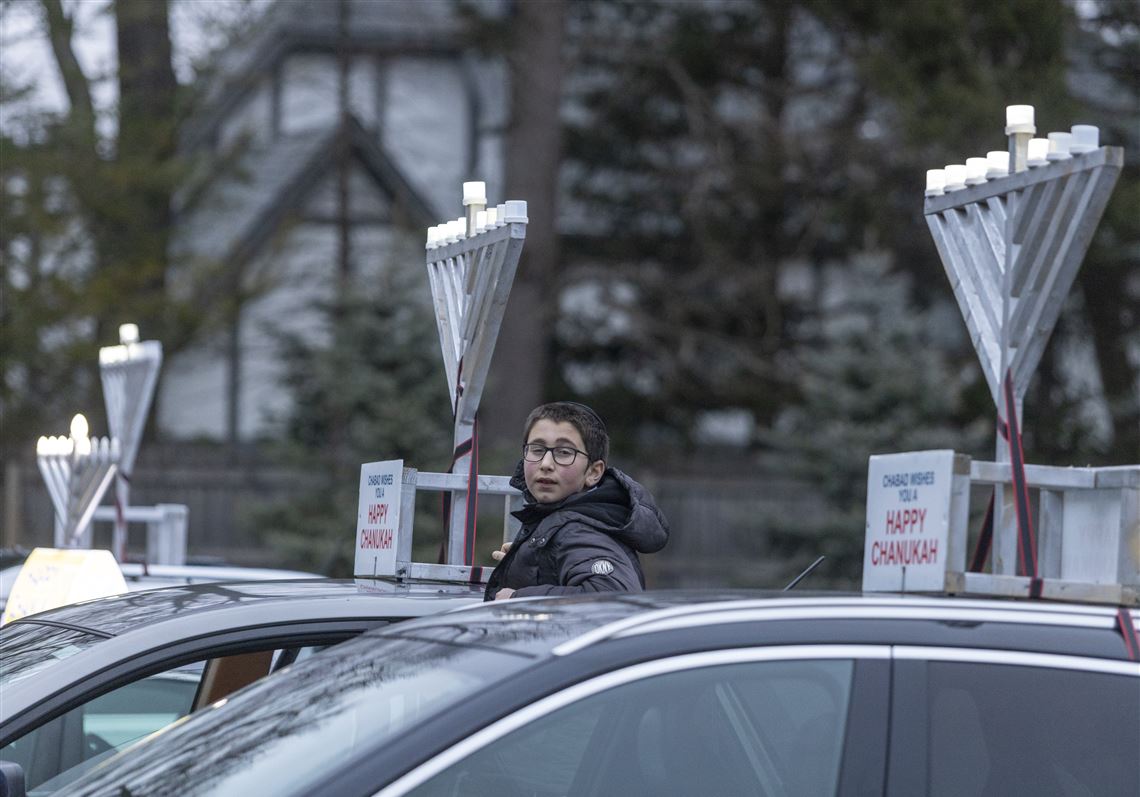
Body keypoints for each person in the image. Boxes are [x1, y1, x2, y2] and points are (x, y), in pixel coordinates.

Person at [485, 401, 669, 600]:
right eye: (537, 449)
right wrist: (531, 559)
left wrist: (516, 599)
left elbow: (615, 598)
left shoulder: (578, 530)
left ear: (593, 472)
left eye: (564, 453)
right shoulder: (564, 524)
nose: (546, 464)